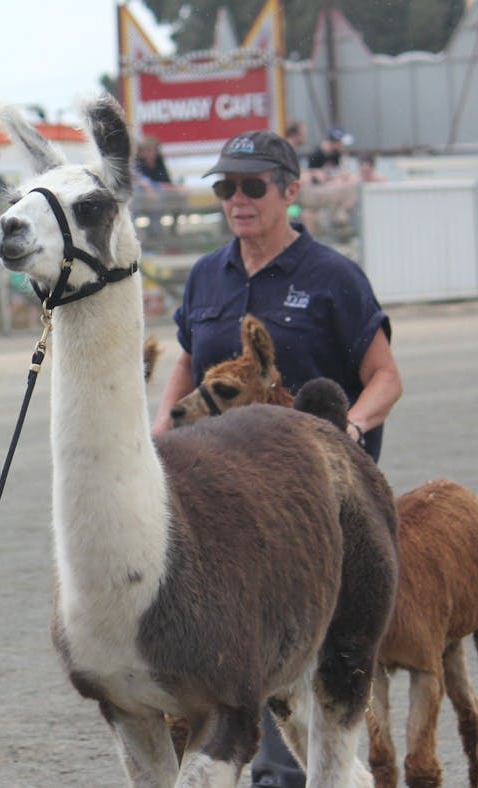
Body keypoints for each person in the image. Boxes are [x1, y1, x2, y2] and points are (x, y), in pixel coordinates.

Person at [150, 130, 402, 788]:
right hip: (220, 512)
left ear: (291, 191)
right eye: (225, 187)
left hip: (313, 512)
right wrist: (159, 423)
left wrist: (349, 427)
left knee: (294, 705)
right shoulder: (208, 276)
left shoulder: (333, 279)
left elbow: (385, 377)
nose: (237, 198)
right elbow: (187, 360)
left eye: (253, 185)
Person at [131, 134, 184, 236]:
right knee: (152, 199)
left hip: (157, 198)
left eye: (152, 150)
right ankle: (150, 234)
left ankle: (170, 231)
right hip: (141, 200)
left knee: (176, 197)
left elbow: (165, 181)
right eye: (147, 150)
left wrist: (175, 188)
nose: (150, 153)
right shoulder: (136, 163)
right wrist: (149, 187)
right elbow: (138, 179)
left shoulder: (159, 162)